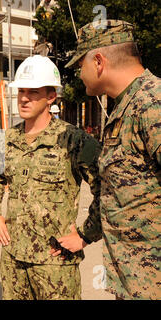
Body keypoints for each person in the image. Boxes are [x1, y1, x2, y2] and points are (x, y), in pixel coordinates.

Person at [0, 55, 101, 300]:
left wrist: (86, 235)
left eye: (33, 92)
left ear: (51, 97)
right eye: (21, 91)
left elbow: (109, 188)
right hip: (14, 258)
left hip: (55, 262)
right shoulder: (7, 139)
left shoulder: (74, 140)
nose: (24, 98)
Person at [61, 20, 161, 300]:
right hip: (133, 282)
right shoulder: (127, 107)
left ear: (99, 61)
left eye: (80, 64)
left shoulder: (152, 103)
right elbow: (121, 195)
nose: (79, 74)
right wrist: (85, 235)